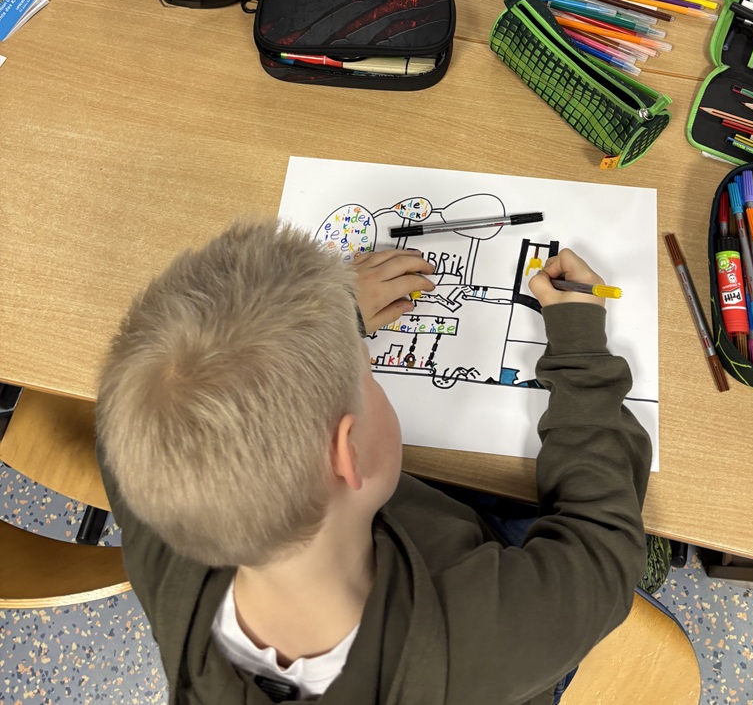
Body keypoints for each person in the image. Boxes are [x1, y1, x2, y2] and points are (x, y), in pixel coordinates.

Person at [96, 220, 651, 704]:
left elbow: (133, 408)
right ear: (348, 452)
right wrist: (580, 350)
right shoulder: (489, 634)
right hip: (499, 604)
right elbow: (602, 546)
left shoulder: (162, 537)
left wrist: (317, 318)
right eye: (366, 369)